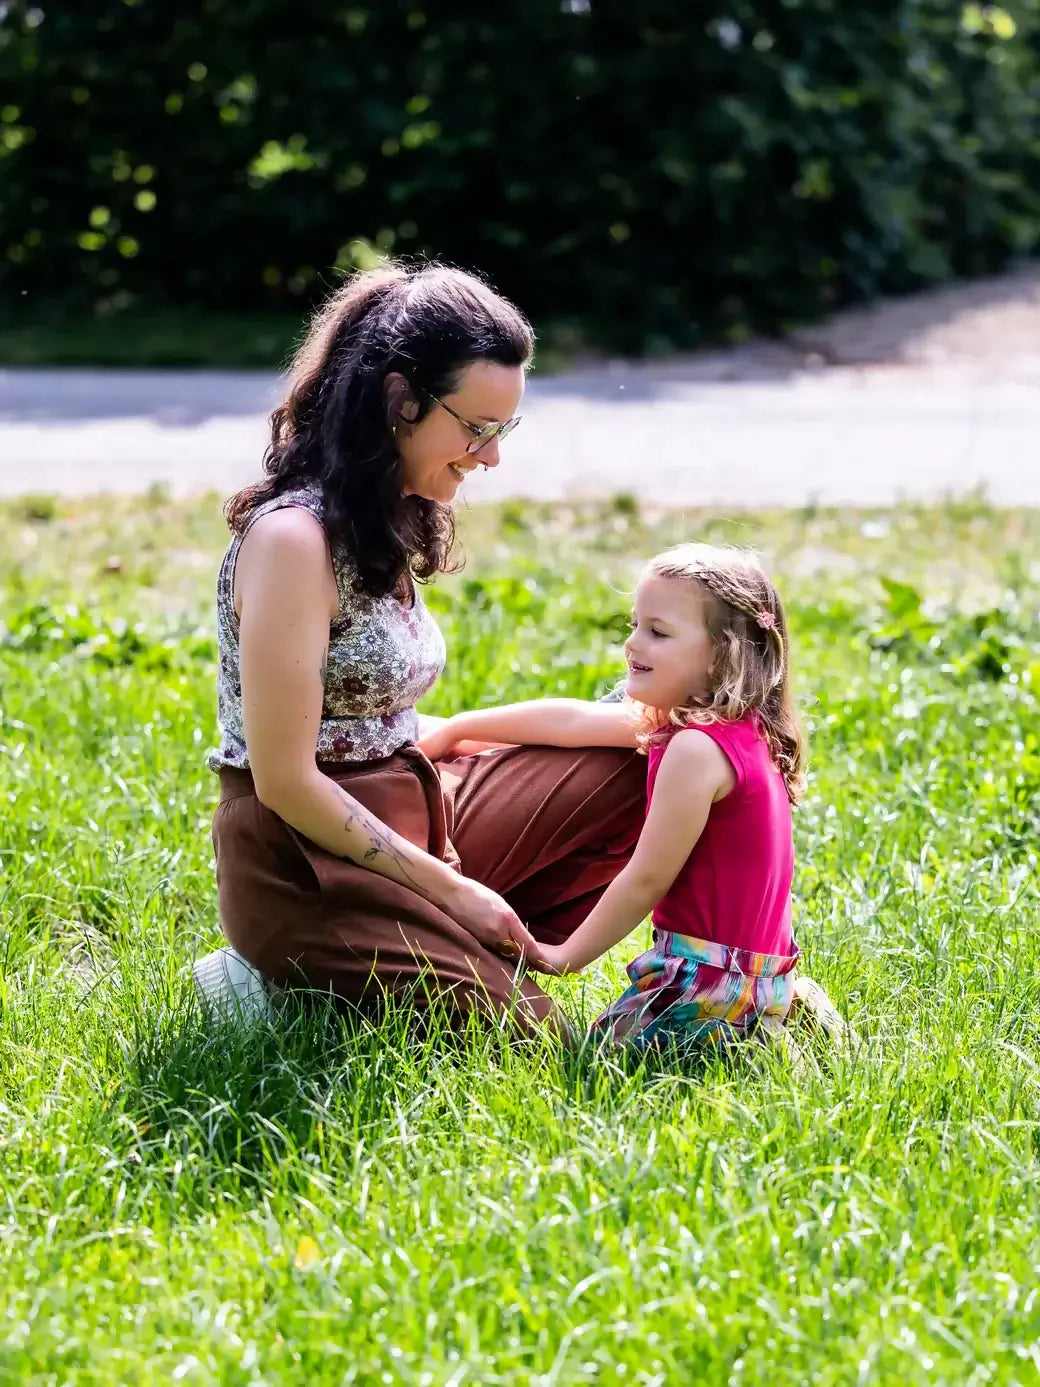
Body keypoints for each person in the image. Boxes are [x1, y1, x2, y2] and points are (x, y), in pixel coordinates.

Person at [195, 262, 646, 1034]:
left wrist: (657, 724)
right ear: (398, 397)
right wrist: (453, 889)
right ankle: (282, 984)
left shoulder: (387, 512)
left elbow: (379, 717)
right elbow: (286, 782)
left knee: (643, 770)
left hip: (411, 807)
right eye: (476, 429)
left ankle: (436, 954)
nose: (491, 456)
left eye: (503, 430)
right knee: (547, 1043)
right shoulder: (291, 542)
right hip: (303, 859)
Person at [420, 543, 841, 1051]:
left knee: (585, 1057)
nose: (634, 644)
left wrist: (566, 956)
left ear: (722, 654)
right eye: (635, 626)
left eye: (658, 632)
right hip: (765, 971)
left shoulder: (695, 750)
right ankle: (771, 1017)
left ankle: (748, 1039)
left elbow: (644, 880)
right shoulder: (728, 728)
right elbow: (572, 721)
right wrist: (457, 730)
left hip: (704, 981)